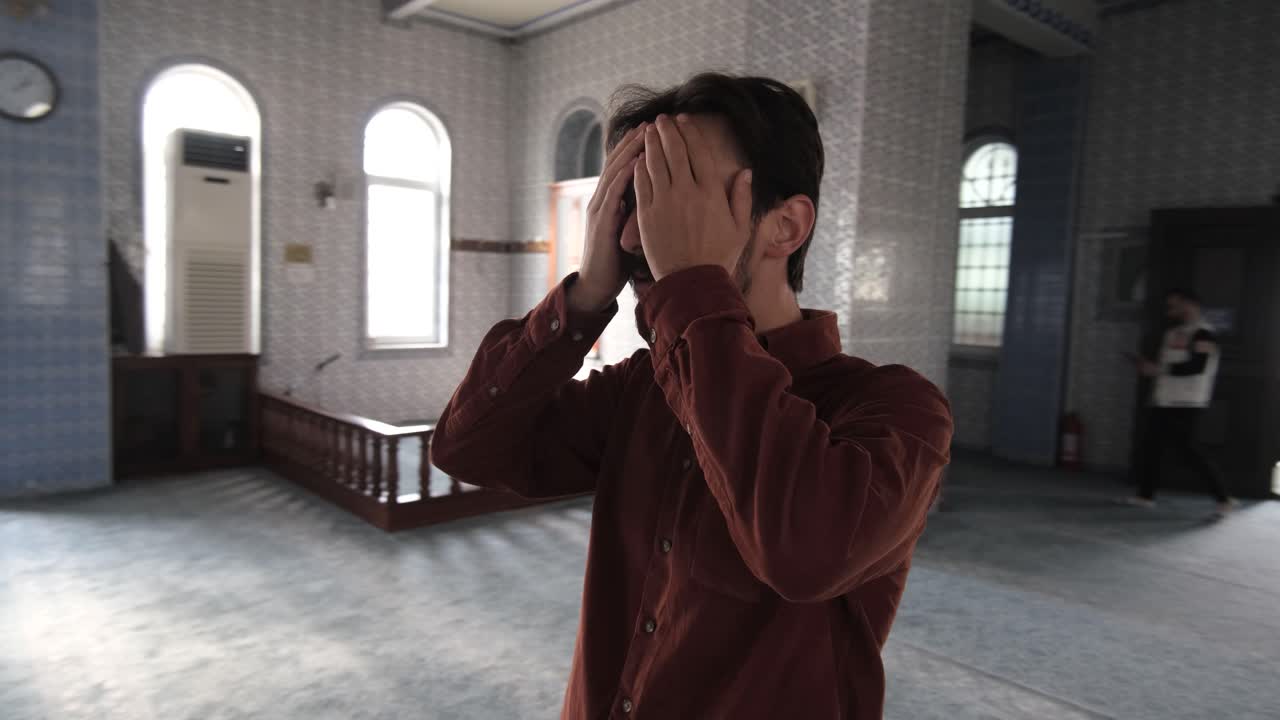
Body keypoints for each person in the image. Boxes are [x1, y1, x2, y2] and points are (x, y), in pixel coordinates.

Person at [431, 73, 953, 719]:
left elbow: (803, 552)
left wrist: (691, 287)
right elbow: (467, 448)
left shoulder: (898, 409)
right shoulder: (645, 389)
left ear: (784, 226)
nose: (637, 237)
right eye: (633, 199)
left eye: (680, 195)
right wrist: (589, 293)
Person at [1124, 288, 1234, 517]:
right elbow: (1168, 366)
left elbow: (1197, 366)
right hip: (1163, 398)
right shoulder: (1172, 333)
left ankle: (1223, 499)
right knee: (1152, 446)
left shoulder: (1204, 334)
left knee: (1189, 451)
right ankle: (1145, 495)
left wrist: (1158, 369)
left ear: (1191, 305)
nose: (1171, 311)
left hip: (1187, 400)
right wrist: (1150, 369)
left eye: (1175, 306)